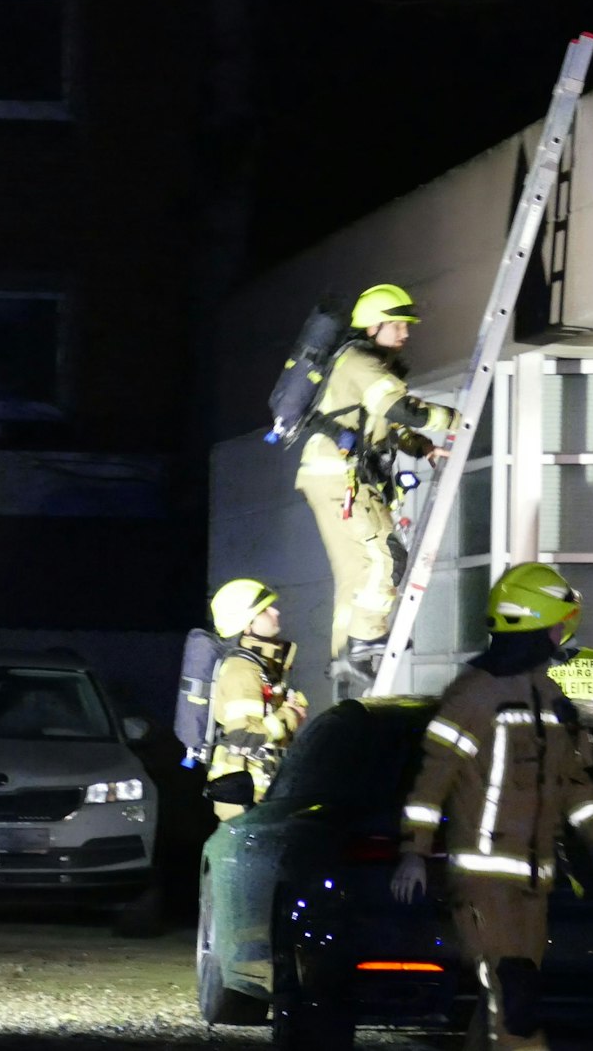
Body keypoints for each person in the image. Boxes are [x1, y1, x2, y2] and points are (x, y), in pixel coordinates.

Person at [390, 562, 593, 1051]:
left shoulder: (551, 697)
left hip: (533, 885)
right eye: (559, 622)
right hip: (482, 883)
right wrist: (414, 851)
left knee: (500, 1003)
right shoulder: (473, 696)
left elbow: (574, 785)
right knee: (516, 1001)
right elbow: (432, 780)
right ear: (535, 624)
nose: (564, 632)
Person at [293, 283, 459, 699]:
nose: (405, 333)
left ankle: (344, 656)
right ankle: (366, 641)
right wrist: (457, 417)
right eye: (397, 324)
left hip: (332, 476)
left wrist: (423, 448)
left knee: (354, 575)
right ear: (373, 327)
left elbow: (388, 428)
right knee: (387, 557)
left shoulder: (367, 365)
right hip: (340, 480)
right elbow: (402, 410)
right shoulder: (359, 362)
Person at [205, 578, 309, 819]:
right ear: (247, 626)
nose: (276, 612)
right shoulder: (242, 671)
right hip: (245, 799)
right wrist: (290, 715)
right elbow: (245, 735)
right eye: (265, 609)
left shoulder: (260, 666)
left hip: (262, 791)